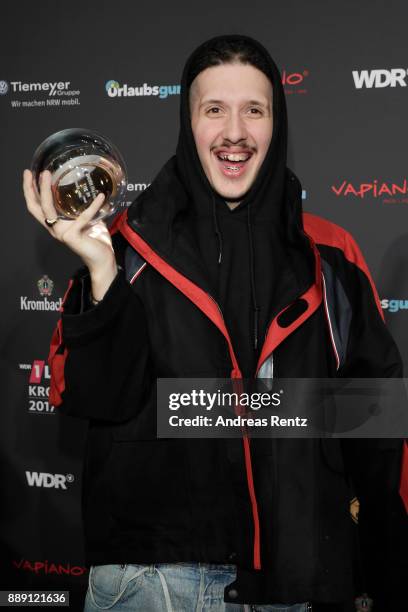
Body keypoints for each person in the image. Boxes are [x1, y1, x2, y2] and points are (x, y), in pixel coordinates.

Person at [23, 35, 407, 612]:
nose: (234, 132)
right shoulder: (123, 245)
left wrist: (384, 571)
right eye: (214, 110)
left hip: (295, 580)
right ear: (189, 122)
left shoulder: (330, 254)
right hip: (150, 581)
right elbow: (90, 397)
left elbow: (374, 426)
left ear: (276, 124)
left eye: (254, 109)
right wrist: (100, 270)